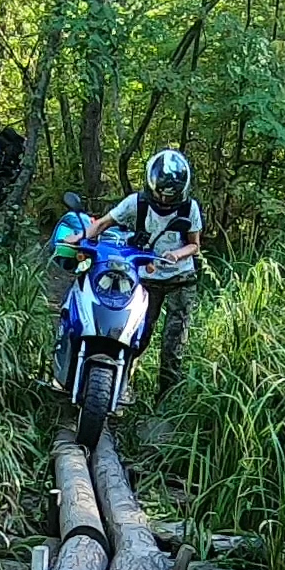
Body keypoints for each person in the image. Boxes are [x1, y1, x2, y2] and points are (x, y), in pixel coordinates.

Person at [82, 148, 202, 399]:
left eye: (171, 196)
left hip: (181, 279)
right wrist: (83, 239)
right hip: (146, 279)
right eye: (161, 194)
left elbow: (194, 244)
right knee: (137, 333)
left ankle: (166, 398)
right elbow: (104, 222)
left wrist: (177, 255)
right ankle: (121, 383)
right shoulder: (136, 203)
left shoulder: (189, 208)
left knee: (174, 341)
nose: (166, 201)